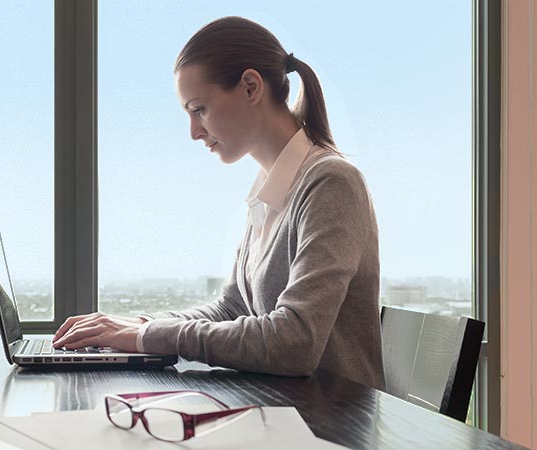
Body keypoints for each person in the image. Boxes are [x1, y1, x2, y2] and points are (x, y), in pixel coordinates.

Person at [52, 16, 384, 390]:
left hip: (331, 425)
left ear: (250, 86)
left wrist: (148, 337)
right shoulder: (270, 190)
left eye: (200, 109)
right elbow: (232, 309)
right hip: (280, 409)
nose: (194, 132)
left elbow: (296, 341)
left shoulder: (330, 184)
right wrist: (141, 326)